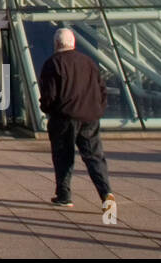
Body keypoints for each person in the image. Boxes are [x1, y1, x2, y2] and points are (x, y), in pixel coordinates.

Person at [38, 28, 113, 208]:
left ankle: (64, 195)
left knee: (63, 156)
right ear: (73, 43)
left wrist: (47, 109)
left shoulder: (53, 63)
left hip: (64, 117)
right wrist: (97, 109)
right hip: (90, 117)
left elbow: (49, 94)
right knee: (94, 157)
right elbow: (102, 89)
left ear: (56, 44)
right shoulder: (89, 62)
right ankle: (106, 194)